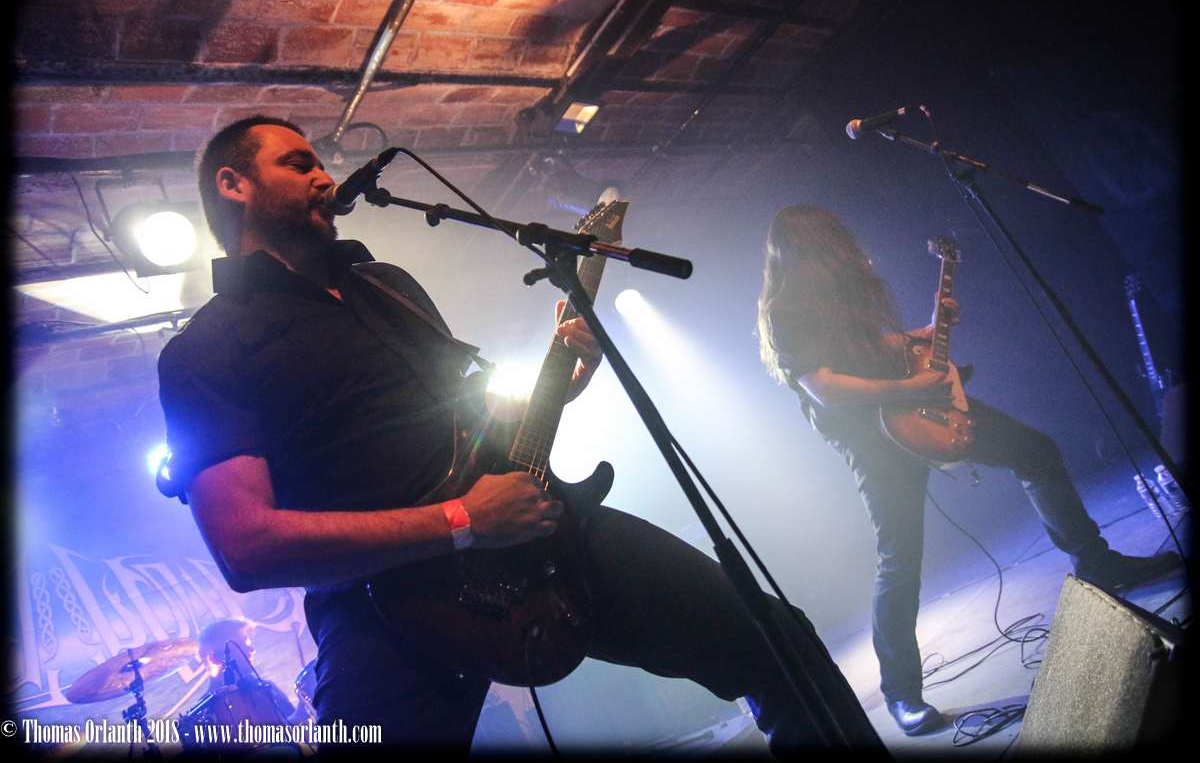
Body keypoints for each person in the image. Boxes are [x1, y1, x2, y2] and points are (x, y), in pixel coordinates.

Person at [157, 117, 884, 756]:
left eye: (321, 162)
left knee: (775, 640)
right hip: (387, 600)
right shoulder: (206, 351)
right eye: (298, 163)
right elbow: (245, 546)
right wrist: (463, 522)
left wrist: (560, 384)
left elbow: (474, 428)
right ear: (234, 184)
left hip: (544, 537)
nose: (324, 176)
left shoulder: (388, 285)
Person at [754, 204, 1181, 736]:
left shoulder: (840, 293)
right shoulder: (785, 310)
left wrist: (926, 332)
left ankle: (1096, 562)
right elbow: (826, 386)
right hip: (873, 440)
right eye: (832, 241)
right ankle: (901, 693)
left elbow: (866, 347)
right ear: (810, 247)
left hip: (922, 405)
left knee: (1035, 451)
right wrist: (910, 386)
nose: (846, 248)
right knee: (900, 559)